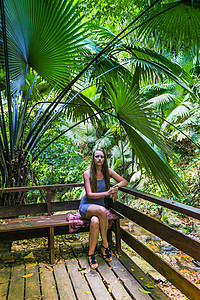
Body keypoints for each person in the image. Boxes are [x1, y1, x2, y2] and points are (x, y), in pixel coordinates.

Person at [79, 148, 128, 269]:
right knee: (102, 210)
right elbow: (89, 194)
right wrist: (108, 193)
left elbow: (124, 181)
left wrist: (115, 188)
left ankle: (91, 254)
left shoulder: (108, 171)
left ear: (104, 158)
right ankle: (105, 244)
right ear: (93, 159)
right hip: (87, 206)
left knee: (95, 221)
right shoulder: (87, 173)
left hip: (98, 210)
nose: (99, 159)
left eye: (101, 156)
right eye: (97, 157)